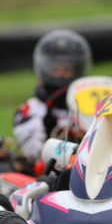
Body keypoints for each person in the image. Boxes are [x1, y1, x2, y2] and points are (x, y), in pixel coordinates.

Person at [13, 29, 92, 166]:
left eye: (67, 70)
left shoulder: (91, 105)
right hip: (49, 170)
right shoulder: (31, 110)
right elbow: (32, 154)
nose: (61, 75)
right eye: (55, 70)